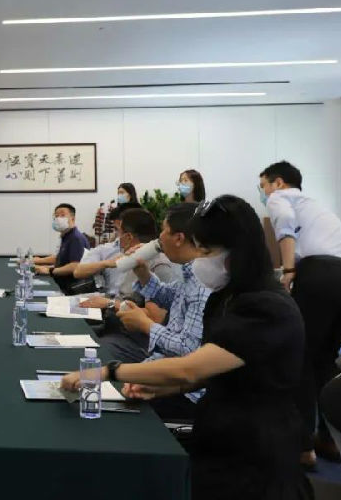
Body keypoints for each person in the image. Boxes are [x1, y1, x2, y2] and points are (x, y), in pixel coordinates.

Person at [62, 195, 312, 500]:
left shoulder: (266, 308)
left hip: (255, 455)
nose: (199, 260)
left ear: (237, 253)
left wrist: (108, 372)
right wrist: (166, 387)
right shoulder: (228, 296)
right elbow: (212, 373)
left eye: (205, 251)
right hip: (221, 438)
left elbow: (190, 366)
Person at [259, 160, 341, 465]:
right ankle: (331, 439)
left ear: (279, 182)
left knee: (298, 356)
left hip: (319, 274)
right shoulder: (316, 205)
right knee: (323, 360)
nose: (263, 192)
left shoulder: (280, 198)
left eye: (263, 185)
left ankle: (302, 446)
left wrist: (288, 270)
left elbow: (284, 222)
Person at [105, 203, 211, 420]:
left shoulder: (203, 283)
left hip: (183, 393)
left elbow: (188, 351)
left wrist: (145, 325)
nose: (159, 237)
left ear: (179, 238)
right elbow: (166, 294)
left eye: (164, 230)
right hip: (165, 373)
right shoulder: (191, 274)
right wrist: (142, 272)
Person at [72, 207, 179, 298]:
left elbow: (155, 308)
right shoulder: (132, 255)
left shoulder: (159, 264)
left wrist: (109, 303)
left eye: (118, 232)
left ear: (128, 237)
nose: (117, 237)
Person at [34, 204, 90, 291]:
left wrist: (49, 270)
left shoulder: (75, 238)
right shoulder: (66, 236)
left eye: (62, 215)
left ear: (72, 218)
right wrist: (40, 263)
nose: (58, 218)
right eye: (56, 216)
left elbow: (75, 266)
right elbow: (60, 259)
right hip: (63, 282)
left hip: (72, 287)